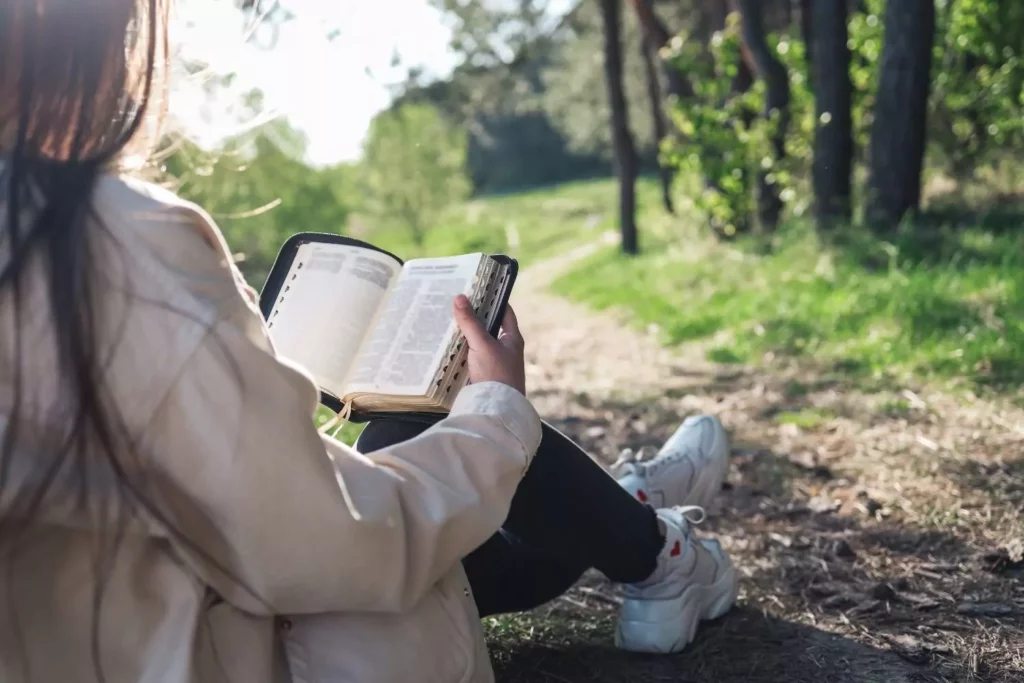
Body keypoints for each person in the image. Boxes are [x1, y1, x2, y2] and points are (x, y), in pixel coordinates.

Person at [0, 2, 736, 683]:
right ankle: (655, 545)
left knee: (399, 431)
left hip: (150, 617)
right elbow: (323, 544)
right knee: (443, 430)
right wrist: (497, 412)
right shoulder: (105, 240)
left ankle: (628, 508)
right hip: (223, 641)